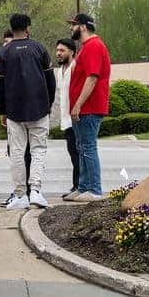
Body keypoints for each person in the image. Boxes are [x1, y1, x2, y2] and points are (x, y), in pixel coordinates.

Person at [0, 13, 56, 210]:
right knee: (38, 151)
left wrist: (2, 110)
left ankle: (20, 194)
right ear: (28, 27)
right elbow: (50, 80)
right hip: (39, 108)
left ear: (12, 29)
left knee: (17, 153)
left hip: (14, 110)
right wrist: (48, 103)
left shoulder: (4, 53)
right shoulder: (39, 49)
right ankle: (35, 191)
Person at [67, 13, 111, 202]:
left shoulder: (93, 46)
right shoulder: (86, 48)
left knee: (88, 147)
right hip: (83, 109)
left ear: (83, 27)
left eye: (74, 25)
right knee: (82, 147)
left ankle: (94, 189)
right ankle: (83, 187)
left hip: (90, 108)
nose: (71, 28)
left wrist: (78, 104)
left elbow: (92, 78)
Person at [55, 38, 79, 201]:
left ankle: (79, 186)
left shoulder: (75, 67)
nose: (58, 53)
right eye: (57, 50)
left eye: (62, 50)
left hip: (76, 119)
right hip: (66, 120)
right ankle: (76, 185)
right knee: (73, 154)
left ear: (71, 52)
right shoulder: (59, 71)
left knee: (78, 154)